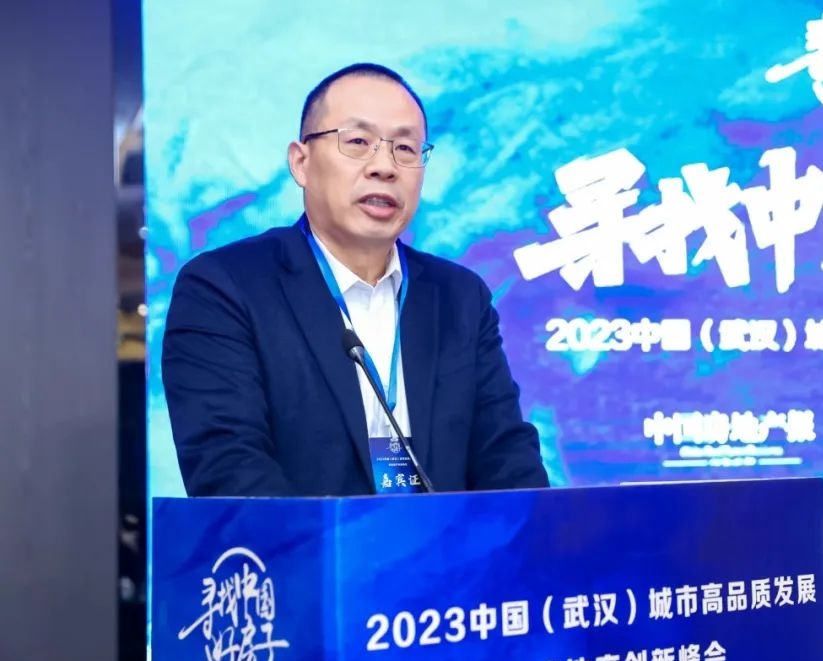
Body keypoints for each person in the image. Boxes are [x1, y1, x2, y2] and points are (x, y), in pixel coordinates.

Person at [162, 63, 550, 497]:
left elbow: (506, 458)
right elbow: (228, 468)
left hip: (451, 544)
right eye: (358, 142)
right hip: (299, 543)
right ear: (301, 162)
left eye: (405, 148)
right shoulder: (224, 287)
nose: (384, 166)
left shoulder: (460, 297)